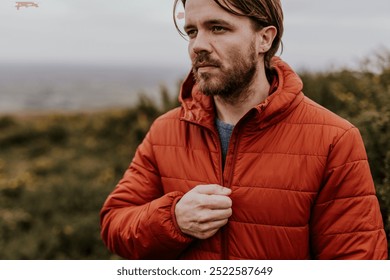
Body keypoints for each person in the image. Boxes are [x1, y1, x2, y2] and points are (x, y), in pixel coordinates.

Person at [100, 0, 388, 259]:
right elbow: (115, 224)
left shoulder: (333, 139)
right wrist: (172, 219)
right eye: (192, 32)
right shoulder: (166, 131)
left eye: (217, 28)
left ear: (264, 39)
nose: (198, 44)